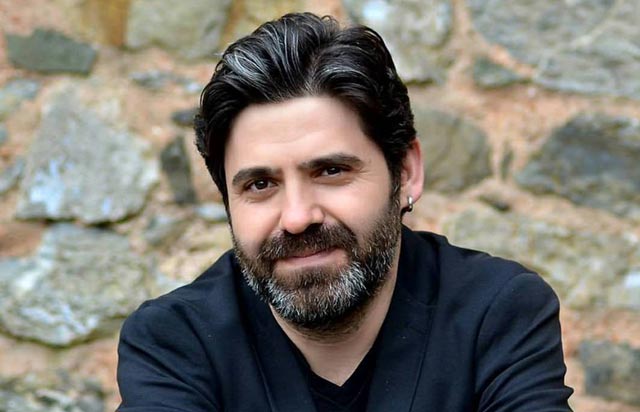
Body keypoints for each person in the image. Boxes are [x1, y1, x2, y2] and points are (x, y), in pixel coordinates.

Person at [116, 12, 573, 412]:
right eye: (260, 184)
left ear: (406, 172)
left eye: (331, 171)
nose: (297, 217)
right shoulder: (175, 342)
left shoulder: (496, 312)